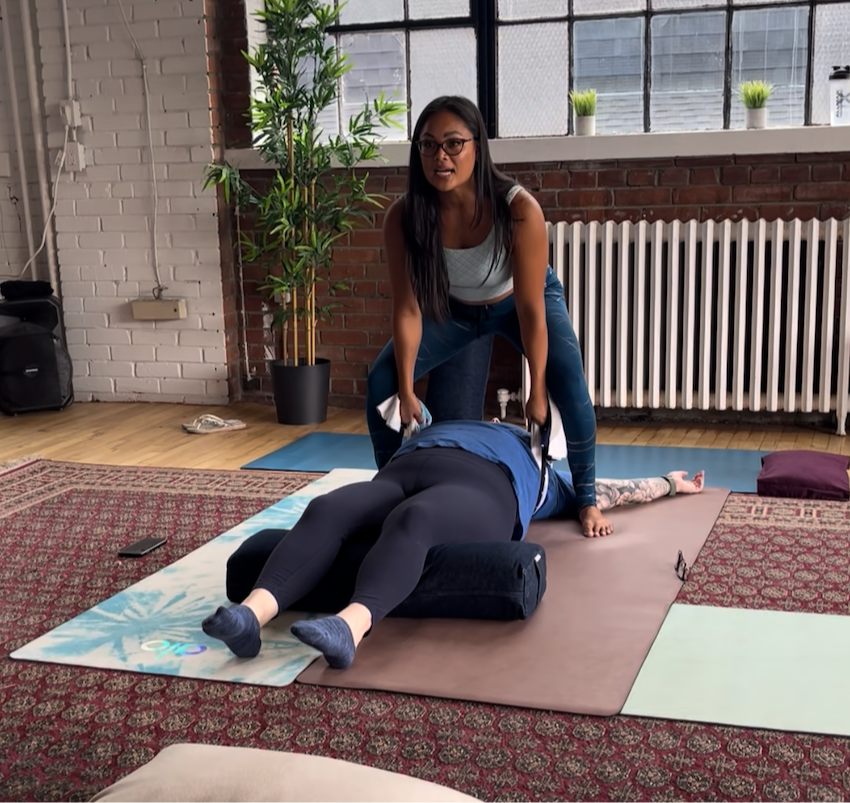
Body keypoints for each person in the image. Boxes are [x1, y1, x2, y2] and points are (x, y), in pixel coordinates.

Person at [201, 419, 704, 670]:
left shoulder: (545, 470)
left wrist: (667, 482)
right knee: (327, 508)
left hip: (483, 486)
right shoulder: (441, 421)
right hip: (404, 467)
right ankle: (250, 617)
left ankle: (348, 628)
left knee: (415, 520)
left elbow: (606, 491)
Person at [365, 94, 609, 536]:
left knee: (570, 381)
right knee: (381, 380)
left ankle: (587, 500)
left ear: (477, 147)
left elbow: (532, 310)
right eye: (428, 144)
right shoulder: (404, 216)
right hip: (454, 310)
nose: (440, 156)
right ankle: (390, 488)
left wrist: (536, 389)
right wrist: (405, 389)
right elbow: (407, 308)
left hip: (518, 303)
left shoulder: (518, 209)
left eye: (453, 144)